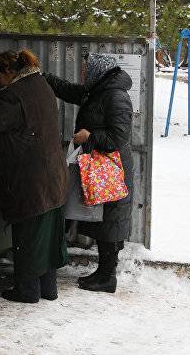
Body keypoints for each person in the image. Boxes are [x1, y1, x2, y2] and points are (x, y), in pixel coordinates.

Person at [0, 49, 69, 303]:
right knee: (48, 234)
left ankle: (27, 290)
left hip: (32, 177)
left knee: (28, 234)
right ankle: (48, 288)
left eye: (0, 77)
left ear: (10, 72)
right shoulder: (40, 84)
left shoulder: (15, 95)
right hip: (53, 174)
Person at [43, 53, 134, 293]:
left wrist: (89, 137)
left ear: (98, 72)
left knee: (111, 221)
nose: (83, 74)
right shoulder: (99, 91)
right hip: (101, 167)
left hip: (112, 169)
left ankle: (107, 277)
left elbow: (118, 137)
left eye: (86, 70)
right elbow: (72, 91)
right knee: (105, 221)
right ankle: (104, 274)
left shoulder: (116, 97)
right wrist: (44, 77)